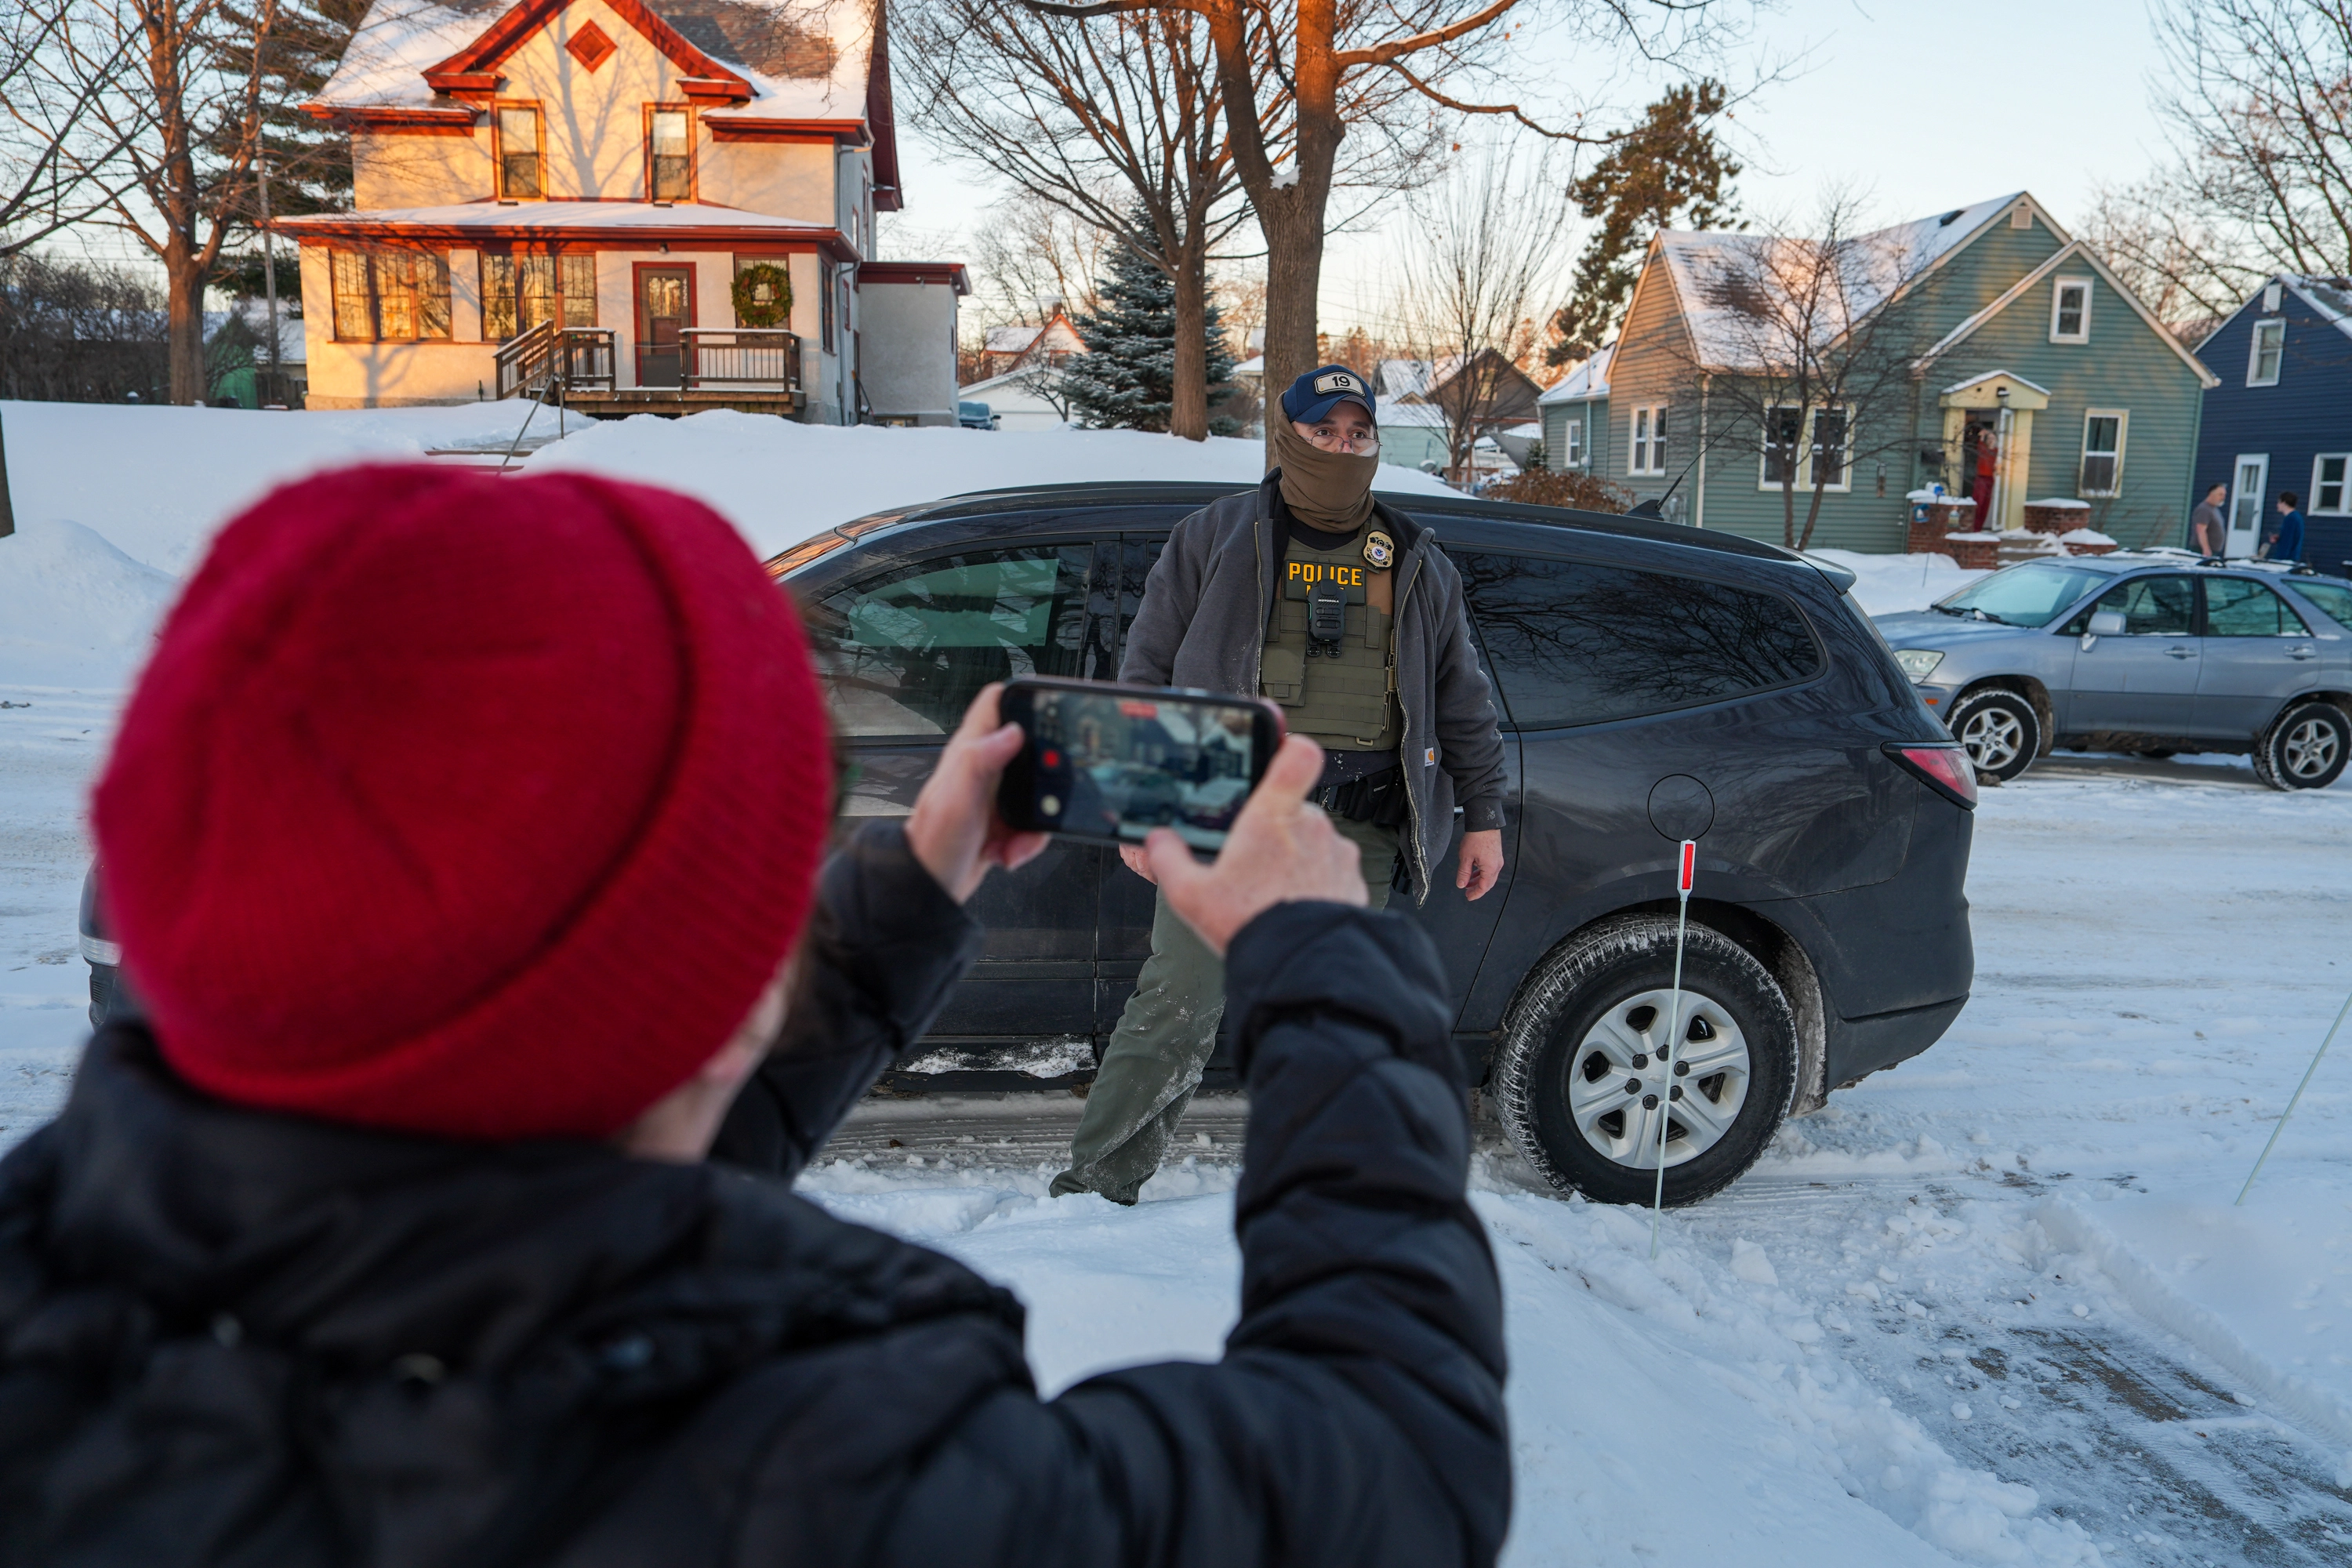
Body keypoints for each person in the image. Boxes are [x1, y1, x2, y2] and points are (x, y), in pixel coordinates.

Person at [0, 467, 1509, 1565]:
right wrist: (1325, 957)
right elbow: (1395, 1456)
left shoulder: (62, 1285)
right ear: (716, 1007)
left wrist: (910, 896)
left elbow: (537, 1205)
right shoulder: (830, 1479)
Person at [1052, 365, 1509, 1205]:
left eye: (1357, 433)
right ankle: (1097, 1183)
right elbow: (1146, 672)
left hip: (1353, 830)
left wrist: (1483, 814)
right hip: (1219, 816)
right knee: (1180, 997)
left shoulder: (1414, 557)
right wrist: (1139, 806)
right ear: (1286, 435)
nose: (1341, 446)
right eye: (1322, 431)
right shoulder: (1215, 537)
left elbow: (1462, 700)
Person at [2261, 490, 2306, 562]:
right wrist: (2279, 538)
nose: (2277, 505)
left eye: (2279, 502)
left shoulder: (2291, 519)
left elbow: (2288, 542)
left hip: (2287, 559)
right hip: (2292, 557)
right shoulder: (2296, 517)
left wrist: (2279, 559)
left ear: (2284, 503)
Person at [2193, 481, 2229, 557]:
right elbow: (2201, 530)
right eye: (2220, 495)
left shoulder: (2214, 509)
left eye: (2224, 495)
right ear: (2211, 494)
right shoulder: (2204, 509)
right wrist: (2206, 548)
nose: (2223, 498)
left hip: (2213, 550)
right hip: (2202, 550)